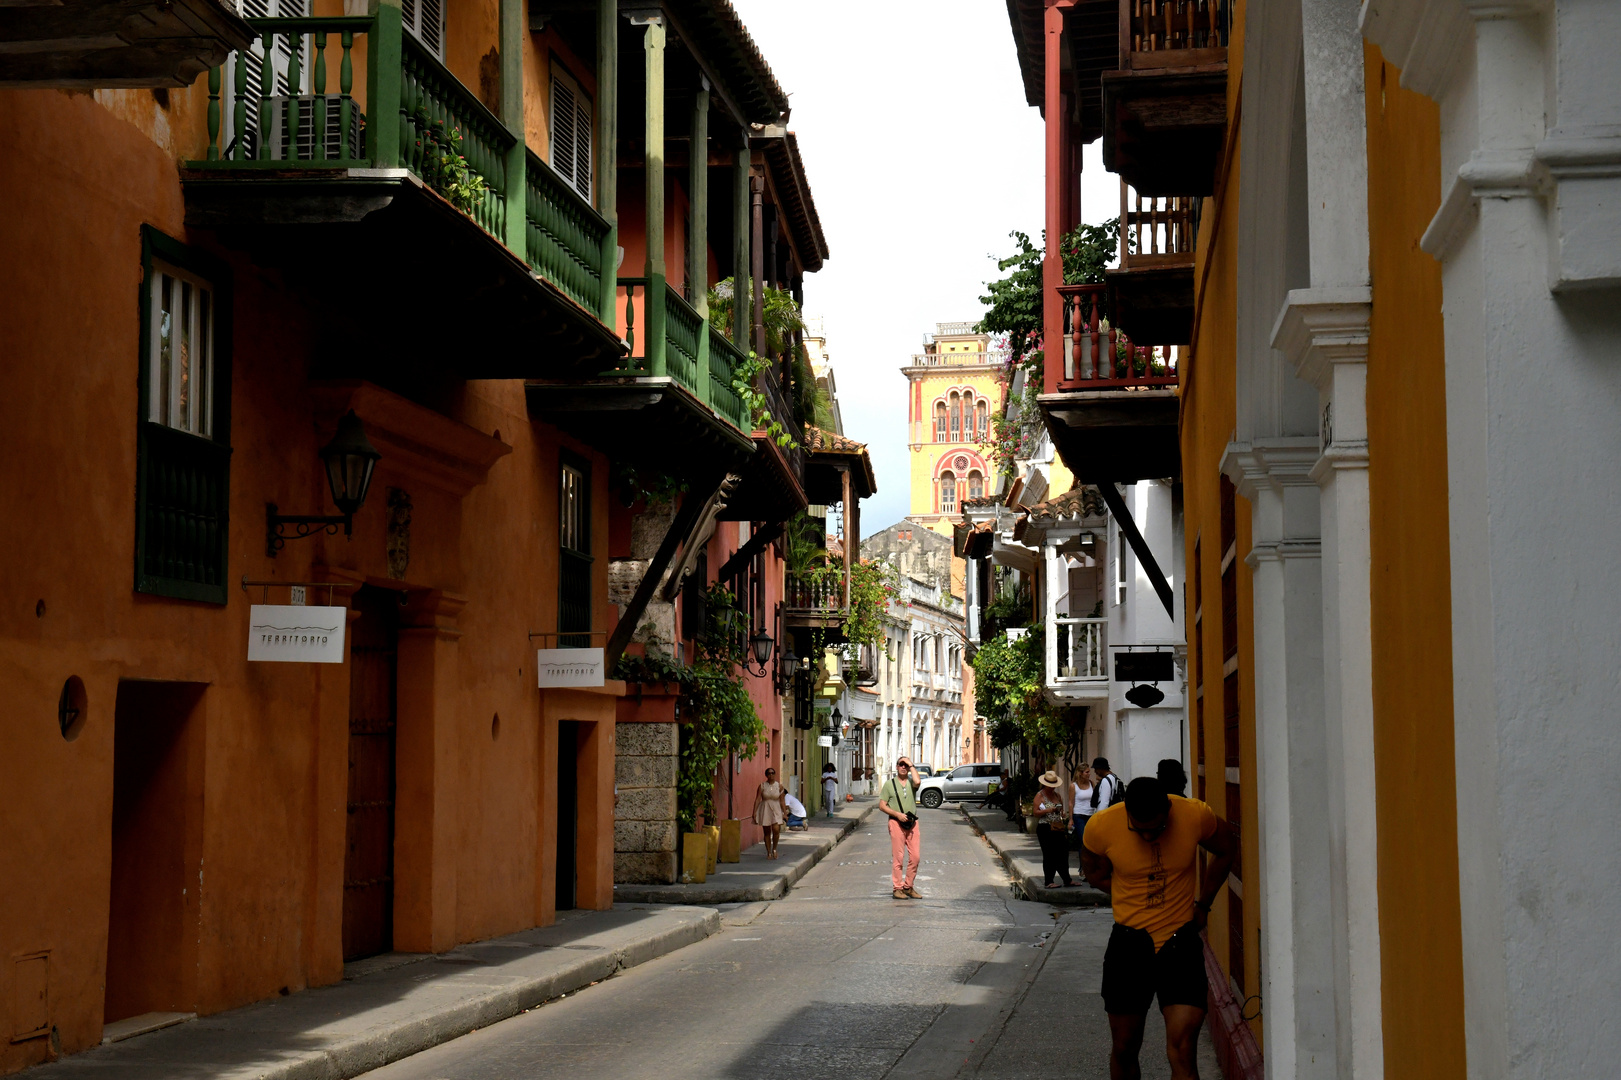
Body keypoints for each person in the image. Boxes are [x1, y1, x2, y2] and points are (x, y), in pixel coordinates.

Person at [1081, 777, 1236, 1080]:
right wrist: (1131, 895)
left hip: (1180, 944)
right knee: (1125, 1047)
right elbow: (1094, 873)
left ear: (1168, 808)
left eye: (1158, 828)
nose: (1150, 836)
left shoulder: (1194, 814)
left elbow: (1227, 848)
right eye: (1141, 830)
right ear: (1127, 813)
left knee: (1182, 1048)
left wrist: (1203, 904)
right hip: (1129, 945)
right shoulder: (1101, 826)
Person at [879, 757, 923, 900]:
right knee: (898, 857)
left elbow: (918, 781)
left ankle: (908, 886)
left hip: (912, 823)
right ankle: (897, 888)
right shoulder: (889, 785)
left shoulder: (911, 783)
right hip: (896, 823)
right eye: (901, 764)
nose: (903, 767)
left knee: (915, 857)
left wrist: (911, 765)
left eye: (906, 765)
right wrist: (897, 815)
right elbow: (882, 805)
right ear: (896, 767)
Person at [1033, 770, 1074, 887]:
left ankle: (1067, 879)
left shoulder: (1057, 795)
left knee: (1062, 853)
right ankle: (1049, 881)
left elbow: (1060, 807)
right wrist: (1047, 810)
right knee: (1049, 854)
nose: (1052, 788)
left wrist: (1061, 812)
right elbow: (1035, 812)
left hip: (1057, 827)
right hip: (1045, 827)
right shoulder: (1040, 795)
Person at [753, 768, 786, 859]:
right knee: (767, 832)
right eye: (769, 773)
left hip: (776, 809)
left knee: (776, 830)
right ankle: (768, 852)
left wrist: (785, 813)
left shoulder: (779, 786)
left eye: (772, 773)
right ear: (766, 775)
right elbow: (757, 799)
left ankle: (774, 848)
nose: (771, 775)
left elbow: (782, 800)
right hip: (766, 809)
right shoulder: (762, 786)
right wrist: (754, 812)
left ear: (775, 774)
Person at [1071, 763, 1096, 845]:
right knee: (1083, 840)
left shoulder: (1091, 783)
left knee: (1091, 839)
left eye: (1089, 772)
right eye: (1087, 772)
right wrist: (1070, 819)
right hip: (1079, 814)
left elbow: (1095, 798)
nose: (1089, 774)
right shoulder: (1073, 786)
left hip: (1090, 814)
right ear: (1081, 773)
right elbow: (1071, 802)